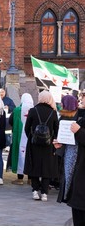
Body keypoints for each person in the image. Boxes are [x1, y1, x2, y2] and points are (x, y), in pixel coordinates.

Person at [24, 90, 59, 202]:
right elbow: (56, 129)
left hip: (34, 144)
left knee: (34, 166)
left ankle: (35, 191)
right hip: (48, 145)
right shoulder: (52, 112)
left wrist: (32, 137)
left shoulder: (33, 111)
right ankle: (44, 193)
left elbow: (27, 127)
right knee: (46, 168)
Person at [61, 93, 85, 225]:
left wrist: (79, 131)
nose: (81, 98)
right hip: (78, 170)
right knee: (77, 213)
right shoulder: (80, 115)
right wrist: (61, 143)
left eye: (84, 96)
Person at [55, 94, 79, 206]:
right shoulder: (77, 115)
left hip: (70, 149)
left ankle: (67, 194)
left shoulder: (76, 116)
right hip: (68, 147)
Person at [8, 93, 34, 185]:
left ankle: (20, 179)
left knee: (20, 155)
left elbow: (10, 121)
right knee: (30, 156)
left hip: (19, 136)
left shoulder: (17, 110)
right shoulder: (34, 110)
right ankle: (30, 179)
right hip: (31, 137)